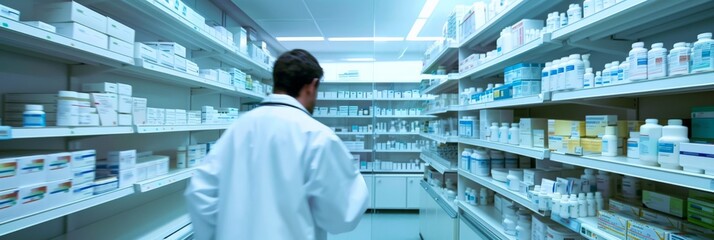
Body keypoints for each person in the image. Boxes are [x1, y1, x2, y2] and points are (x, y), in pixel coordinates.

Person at [184, 49, 369, 240]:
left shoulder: (237, 129)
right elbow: (342, 216)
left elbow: (199, 192)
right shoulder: (317, 136)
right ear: (312, 86)